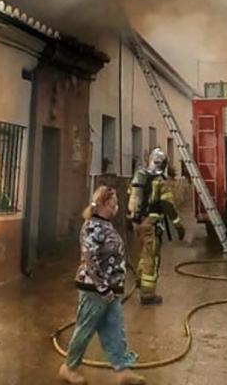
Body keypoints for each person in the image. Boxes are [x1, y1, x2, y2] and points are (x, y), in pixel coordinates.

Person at [60, 186, 146, 385]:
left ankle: (122, 370)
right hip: (94, 290)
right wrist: (103, 288)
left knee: (115, 330)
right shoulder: (91, 226)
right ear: (105, 203)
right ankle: (68, 367)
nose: (117, 205)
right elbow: (91, 261)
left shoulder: (106, 225)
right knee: (85, 329)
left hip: (111, 291)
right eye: (114, 201)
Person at [128, 148, 184, 305]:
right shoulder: (159, 180)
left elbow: (131, 198)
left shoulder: (139, 175)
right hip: (151, 226)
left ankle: (139, 280)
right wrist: (178, 225)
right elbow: (168, 205)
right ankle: (147, 295)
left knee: (141, 253)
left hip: (137, 223)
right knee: (150, 257)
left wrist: (131, 219)